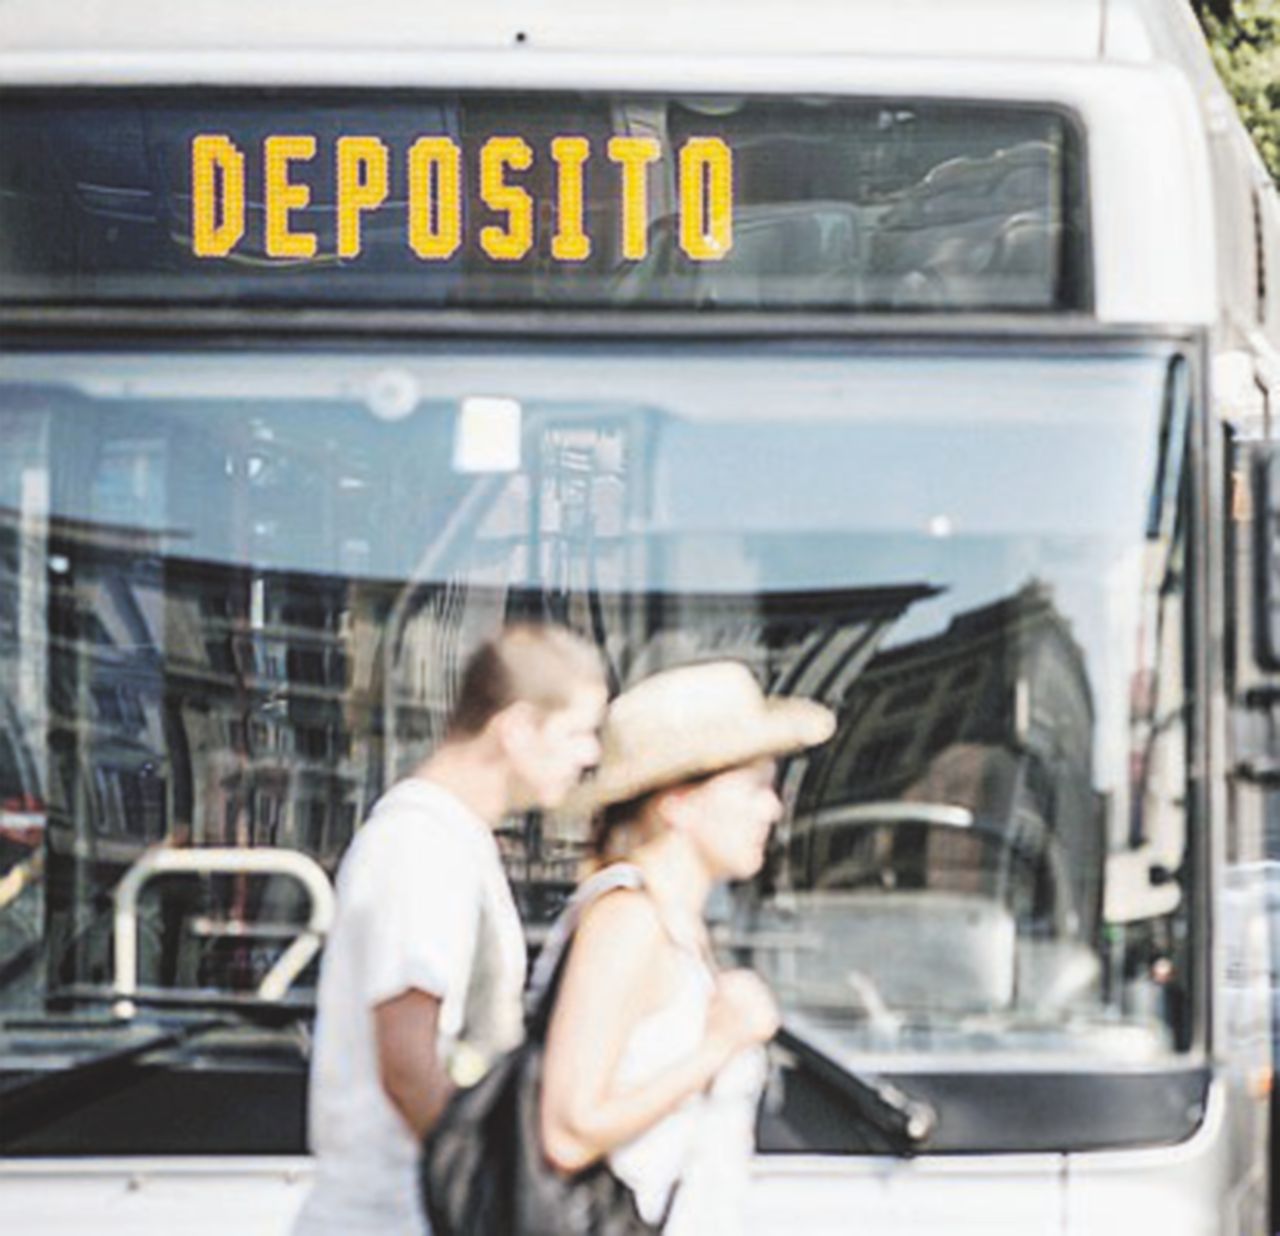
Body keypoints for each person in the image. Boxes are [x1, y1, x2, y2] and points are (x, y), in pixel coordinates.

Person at [292, 623, 607, 1236]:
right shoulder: (421, 845)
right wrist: (488, 1195)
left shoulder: (447, 838)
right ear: (515, 728)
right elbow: (409, 1059)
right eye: (577, 732)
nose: (590, 755)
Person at [537, 659, 835, 1234]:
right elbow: (568, 1131)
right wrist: (718, 1045)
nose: (772, 809)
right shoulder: (628, 919)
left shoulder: (670, 922)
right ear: (677, 803)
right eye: (754, 786)